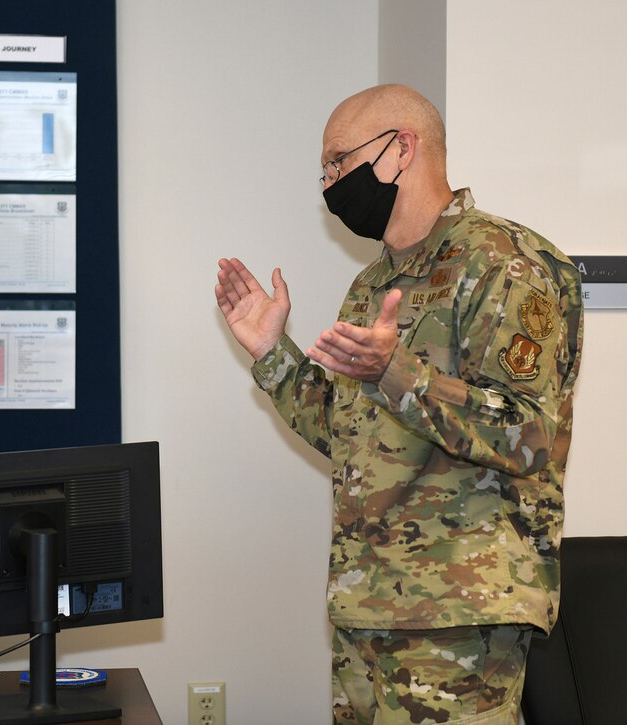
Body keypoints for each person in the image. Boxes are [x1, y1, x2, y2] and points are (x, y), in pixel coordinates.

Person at [215, 84, 583, 724]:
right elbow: (353, 435)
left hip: (459, 614)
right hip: (369, 605)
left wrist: (399, 373)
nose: (329, 183)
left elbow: (528, 436)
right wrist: (273, 354)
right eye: (324, 170)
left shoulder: (505, 263)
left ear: (400, 150)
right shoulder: (374, 283)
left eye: (337, 162)